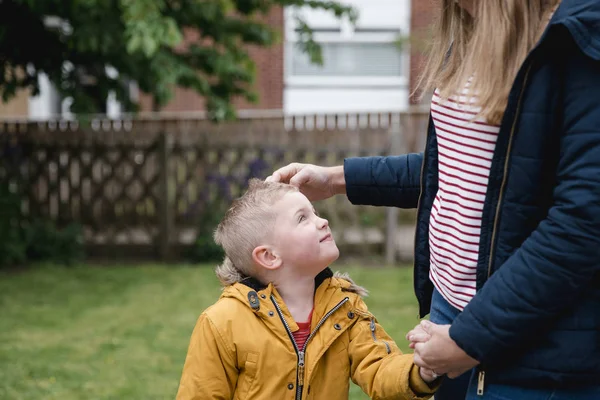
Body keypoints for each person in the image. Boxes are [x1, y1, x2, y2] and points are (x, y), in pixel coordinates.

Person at [267, 0, 600, 398]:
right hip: (449, 314)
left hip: (530, 342)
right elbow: (459, 166)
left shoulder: (575, 40)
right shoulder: (471, 31)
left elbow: (581, 225)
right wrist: (337, 179)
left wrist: (471, 338)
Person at [175, 179, 440, 400]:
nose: (322, 221)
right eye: (302, 218)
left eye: (315, 212)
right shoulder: (222, 323)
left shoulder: (344, 308)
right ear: (269, 256)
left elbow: (379, 367)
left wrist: (419, 370)